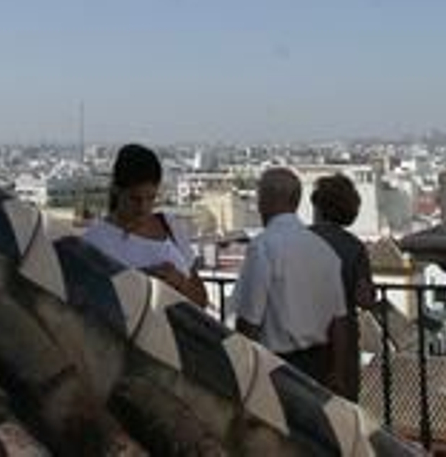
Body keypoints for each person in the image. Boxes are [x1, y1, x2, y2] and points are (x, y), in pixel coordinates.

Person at [232, 167, 348, 388]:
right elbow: (339, 321)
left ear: (266, 200)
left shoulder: (263, 247)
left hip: (274, 368)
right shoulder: (325, 251)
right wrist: (337, 372)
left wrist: (242, 372)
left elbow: (249, 321)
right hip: (319, 365)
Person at [83, 144, 208, 307]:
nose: (143, 208)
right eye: (135, 199)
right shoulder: (95, 241)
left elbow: (201, 300)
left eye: (151, 198)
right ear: (117, 190)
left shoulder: (170, 226)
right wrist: (140, 283)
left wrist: (179, 281)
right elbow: (89, 307)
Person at [309, 173, 378, 400]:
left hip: (302, 333)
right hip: (342, 342)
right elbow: (364, 299)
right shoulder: (353, 247)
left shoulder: (300, 240)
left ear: (318, 206)